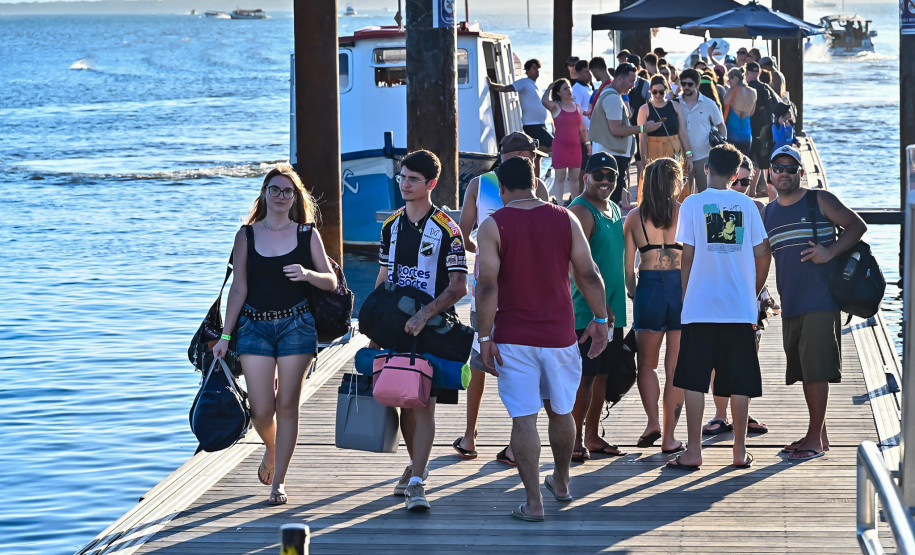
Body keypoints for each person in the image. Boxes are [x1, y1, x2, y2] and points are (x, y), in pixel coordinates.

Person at [474, 156, 610, 522]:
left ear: (501, 189)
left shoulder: (492, 225)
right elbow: (589, 274)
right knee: (561, 411)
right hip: (560, 336)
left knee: (524, 419)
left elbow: (486, 286)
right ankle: (562, 483)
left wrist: (484, 336)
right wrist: (601, 319)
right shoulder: (564, 218)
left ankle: (534, 503)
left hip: (513, 337)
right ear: (535, 181)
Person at [213, 164, 338, 506]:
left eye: (288, 191)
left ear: (295, 197)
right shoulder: (247, 234)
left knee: (287, 405)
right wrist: (225, 337)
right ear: (264, 194)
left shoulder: (306, 234)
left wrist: (308, 273)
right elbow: (238, 288)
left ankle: (278, 482)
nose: (281, 196)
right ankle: (271, 448)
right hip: (253, 326)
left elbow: (331, 281)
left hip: (296, 325)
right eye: (275, 190)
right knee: (260, 410)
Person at [667, 144, 771, 471]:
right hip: (739, 308)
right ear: (736, 173)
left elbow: (688, 255)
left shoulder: (692, 204)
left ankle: (694, 451)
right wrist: (752, 291)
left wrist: (688, 295)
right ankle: (739, 452)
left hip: (700, 306)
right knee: (740, 378)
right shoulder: (748, 205)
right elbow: (763, 252)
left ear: (707, 168)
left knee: (694, 379)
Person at [375, 149, 469, 511]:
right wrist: (375, 325)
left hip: (432, 326)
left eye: (413, 179)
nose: (405, 184)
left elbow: (459, 286)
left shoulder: (448, 229)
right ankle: (416, 465)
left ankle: (417, 480)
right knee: (402, 400)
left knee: (423, 403)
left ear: (431, 184)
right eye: (402, 177)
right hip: (397, 326)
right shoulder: (391, 226)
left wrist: (424, 315)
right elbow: (385, 279)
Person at [763, 145, 867, 460]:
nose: (783, 173)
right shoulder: (767, 213)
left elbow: (857, 226)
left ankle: (812, 438)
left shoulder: (818, 199)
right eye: (778, 167)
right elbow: (762, 258)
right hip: (791, 301)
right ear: (770, 172)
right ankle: (819, 436)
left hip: (821, 299)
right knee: (805, 370)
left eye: (790, 168)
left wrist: (829, 251)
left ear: (801, 173)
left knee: (816, 370)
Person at [454, 132, 550, 465]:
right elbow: (462, 234)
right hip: (488, 287)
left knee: (522, 364)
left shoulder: (538, 187)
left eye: (534, 157)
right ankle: (470, 433)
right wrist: (484, 252)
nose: (532, 163)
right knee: (478, 361)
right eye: (527, 156)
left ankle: (515, 442)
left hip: (525, 290)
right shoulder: (480, 185)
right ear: (507, 156)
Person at [702, 155, 772, 437]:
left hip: (752, 291)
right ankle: (720, 415)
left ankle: (742, 413)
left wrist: (760, 292)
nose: (740, 185)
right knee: (719, 358)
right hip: (720, 293)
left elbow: (764, 254)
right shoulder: (711, 205)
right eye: (737, 180)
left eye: (745, 180)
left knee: (748, 356)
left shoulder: (756, 207)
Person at [568, 153, 628, 461]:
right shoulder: (580, 211)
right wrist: (597, 310)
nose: (605, 181)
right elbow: (575, 267)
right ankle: (574, 438)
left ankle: (591, 435)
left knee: (603, 376)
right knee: (585, 378)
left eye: (611, 176)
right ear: (585, 176)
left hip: (611, 313)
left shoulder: (614, 208)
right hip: (587, 313)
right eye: (598, 175)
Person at [623, 157, 685, 453]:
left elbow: (627, 270)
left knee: (646, 365)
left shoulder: (635, 217)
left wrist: (636, 293)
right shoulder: (684, 214)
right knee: (676, 369)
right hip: (680, 291)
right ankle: (671, 438)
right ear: (675, 182)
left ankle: (652, 424)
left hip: (649, 288)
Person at [589, 63, 662, 208]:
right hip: (612, 155)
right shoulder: (613, 98)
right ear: (620, 79)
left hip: (612, 153)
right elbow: (616, 129)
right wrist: (643, 128)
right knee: (611, 201)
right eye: (631, 81)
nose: (633, 86)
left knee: (608, 200)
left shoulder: (611, 94)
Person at [636, 75, 693, 203]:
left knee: (677, 184)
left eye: (661, 92)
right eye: (655, 91)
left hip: (674, 150)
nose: (658, 95)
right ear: (650, 91)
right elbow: (642, 138)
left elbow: (683, 132)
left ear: (666, 90)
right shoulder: (644, 109)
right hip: (654, 150)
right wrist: (644, 162)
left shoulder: (675, 106)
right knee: (655, 186)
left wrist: (689, 156)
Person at [488, 59, 553, 157]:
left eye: (538, 69)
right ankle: (524, 150)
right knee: (553, 145)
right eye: (534, 68)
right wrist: (492, 85)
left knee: (537, 158)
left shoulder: (535, 85)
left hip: (540, 124)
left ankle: (533, 166)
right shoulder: (524, 82)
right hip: (532, 124)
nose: (537, 71)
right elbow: (506, 88)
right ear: (527, 70)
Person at [678, 68, 726, 195]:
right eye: (683, 84)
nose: (686, 87)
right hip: (681, 156)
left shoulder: (709, 104)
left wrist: (721, 147)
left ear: (697, 85)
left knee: (706, 194)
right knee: (683, 196)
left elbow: (721, 125)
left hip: (704, 156)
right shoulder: (675, 103)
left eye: (690, 84)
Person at [542, 78, 588, 204]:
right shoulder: (556, 107)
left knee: (574, 179)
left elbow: (583, 129)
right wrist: (549, 88)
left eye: (569, 87)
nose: (569, 90)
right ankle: (560, 206)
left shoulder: (577, 107)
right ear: (559, 93)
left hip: (575, 148)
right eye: (565, 88)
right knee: (560, 178)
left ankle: (574, 205)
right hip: (560, 147)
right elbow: (544, 101)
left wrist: (588, 145)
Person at [745, 61, 779, 197]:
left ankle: (752, 191)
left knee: (753, 160)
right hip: (766, 129)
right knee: (765, 161)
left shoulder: (747, 89)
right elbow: (777, 105)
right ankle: (769, 193)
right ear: (759, 73)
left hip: (750, 129)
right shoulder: (766, 87)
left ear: (747, 73)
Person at [721, 67, 756, 158]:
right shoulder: (753, 92)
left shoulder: (733, 89)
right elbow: (752, 113)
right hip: (747, 134)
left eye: (730, 80)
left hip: (732, 134)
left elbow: (723, 103)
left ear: (735, 78)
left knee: (732, 162)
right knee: (744, 161)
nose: (729, 83)